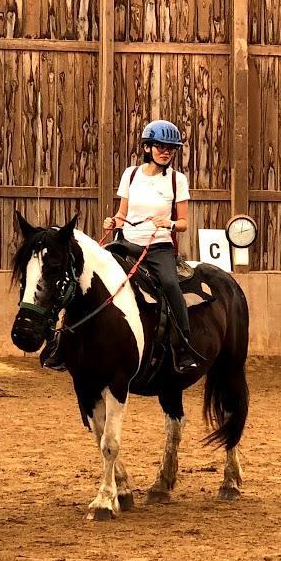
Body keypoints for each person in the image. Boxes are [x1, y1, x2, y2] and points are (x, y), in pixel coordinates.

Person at [103, 119, 198, 373]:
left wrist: (169, 223)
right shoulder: (130, 174)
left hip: (158, 247)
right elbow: (122, 214)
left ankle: (183, 346)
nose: (166, 152)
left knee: (170, 284)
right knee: (93, 275)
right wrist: (113, 221)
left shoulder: (177, 180)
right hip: (126, 243)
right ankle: (62, 340)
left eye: (171, 148)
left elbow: (184, 223)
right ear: (147, 147)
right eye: (160, 146)